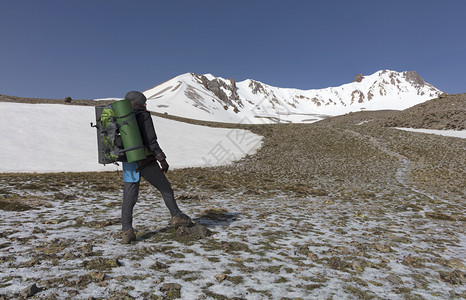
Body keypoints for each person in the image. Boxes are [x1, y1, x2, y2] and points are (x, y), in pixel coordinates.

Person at [121, 91, 192, 244]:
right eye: (143, 102)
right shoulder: (143, 116)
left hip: (128, 162)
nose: (145, 105)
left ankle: (127, 232)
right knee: (165, 188)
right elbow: (151, 140)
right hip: (145, 161)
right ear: (137, 103)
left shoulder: (119, 117)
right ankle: (176, 216)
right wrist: (162, 159)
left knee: (129, 198)